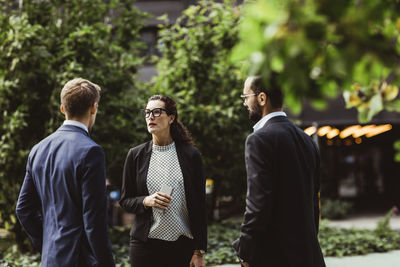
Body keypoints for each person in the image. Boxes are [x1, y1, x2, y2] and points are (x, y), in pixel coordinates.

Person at [16, 78, 115, 267]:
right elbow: (94, 221)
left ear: (63, 108)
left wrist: (49, 245)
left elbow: (24, 209)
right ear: (94, 108)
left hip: (51, 259)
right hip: (80, 261)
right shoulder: (91, 151)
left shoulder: (38, 149)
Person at [232, 76, 326, 267]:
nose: (244, 102)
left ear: (261, 99)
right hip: (309, 254)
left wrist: (246, 252)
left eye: (246, 96)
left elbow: (258, 203)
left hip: (274, 256)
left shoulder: (258, 140)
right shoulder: (306, 140)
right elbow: (314, 202)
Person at [119, 95, 207, 267]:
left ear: (171, 117)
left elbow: (200, 205)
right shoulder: (135, 155)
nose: (151, 116)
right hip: (145, 246)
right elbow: (125, 200)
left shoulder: (191, 155)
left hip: (182, 246)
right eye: (147, 112)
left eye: (157, 112)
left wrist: (199, 250)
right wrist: (146, 200)